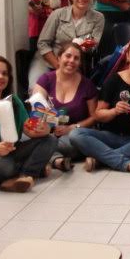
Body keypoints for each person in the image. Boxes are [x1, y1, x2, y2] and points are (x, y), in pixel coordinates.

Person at [0, 56, 57, 192]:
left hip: (8, 151)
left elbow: (29, 129)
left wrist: (44, 128)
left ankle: (25, 175)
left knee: (50, 140)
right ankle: (32, 169)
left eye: (4, 74)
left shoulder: (14, 100)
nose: (0, 77)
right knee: (6, 163)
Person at [69, 38, 130, 174]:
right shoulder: (114, 79)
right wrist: (114, 111)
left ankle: (101, 159)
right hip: (110, 136)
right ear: (128, 56)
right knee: (76, 134)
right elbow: (98, 115)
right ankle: (123, 162)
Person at [32, 43, 98, 172]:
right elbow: (36, 109)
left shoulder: (87, 85)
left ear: (80, 63)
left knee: (63, 143)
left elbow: (94, 118)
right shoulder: (45, 79)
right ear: (58, 58)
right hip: (48, 132)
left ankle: (51, 159)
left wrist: (72, 127)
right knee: (28, 137)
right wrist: (49, 126)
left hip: (72, 135)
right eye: (68, 56)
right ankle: (58, 161)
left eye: (76, 58)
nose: (71, 61)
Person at [29, 0, 104, 88]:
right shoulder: (57, 14)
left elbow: (93, 46)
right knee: (36, 89)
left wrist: (84, 46)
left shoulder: (98, 18)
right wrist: (58, 65)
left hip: (74, 64)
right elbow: (43, 43)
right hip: (48, 60)